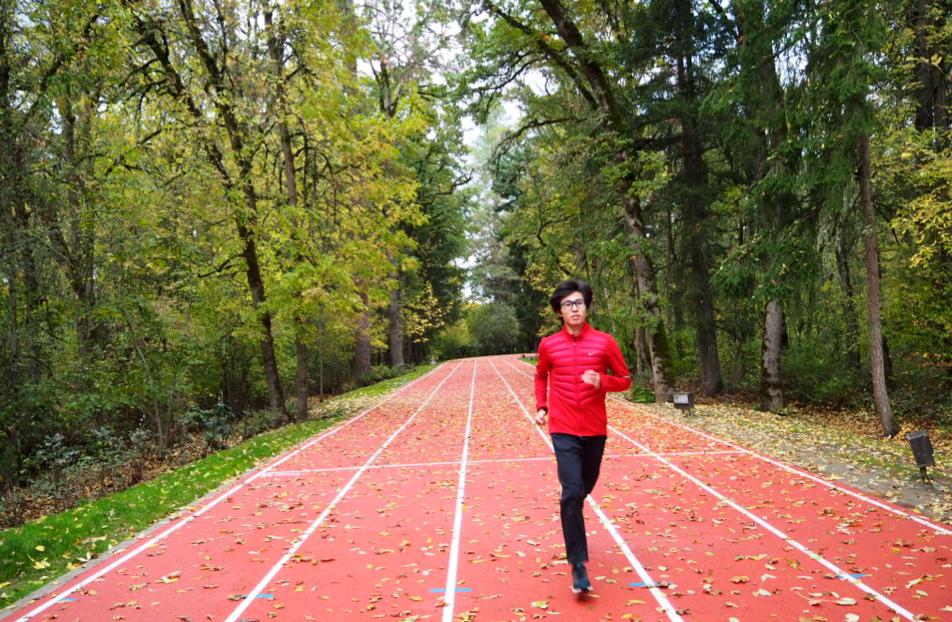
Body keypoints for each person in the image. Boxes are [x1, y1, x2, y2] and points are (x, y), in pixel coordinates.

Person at [534, 279, 631, 594]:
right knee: (571, 493)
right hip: (562, 428)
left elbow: (625, 380)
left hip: (594, 429)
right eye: (567, 304)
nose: (573, 309)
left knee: (583, 489)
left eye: (578, 303)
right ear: (559, 311)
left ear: (587, 307)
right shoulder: (548, 344)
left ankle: (574, 515)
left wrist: (601, 381)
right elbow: (540, 375)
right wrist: (542, 406)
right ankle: (578, 565)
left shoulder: (605, 342)